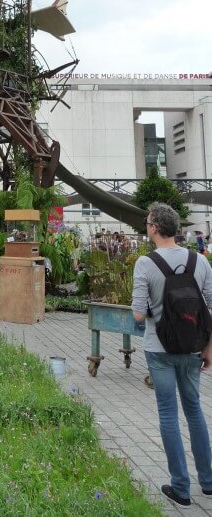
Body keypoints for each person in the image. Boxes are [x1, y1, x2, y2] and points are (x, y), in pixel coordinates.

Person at [132, 202, 212, 508]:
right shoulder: (199, 261)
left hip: (159, 349)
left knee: (168, 414)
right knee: (195, 411)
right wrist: (209, 348)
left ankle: (181, 487)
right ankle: (208, 482)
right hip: (194, 348)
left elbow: (139, 315)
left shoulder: (145, 263)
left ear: (153, 228)